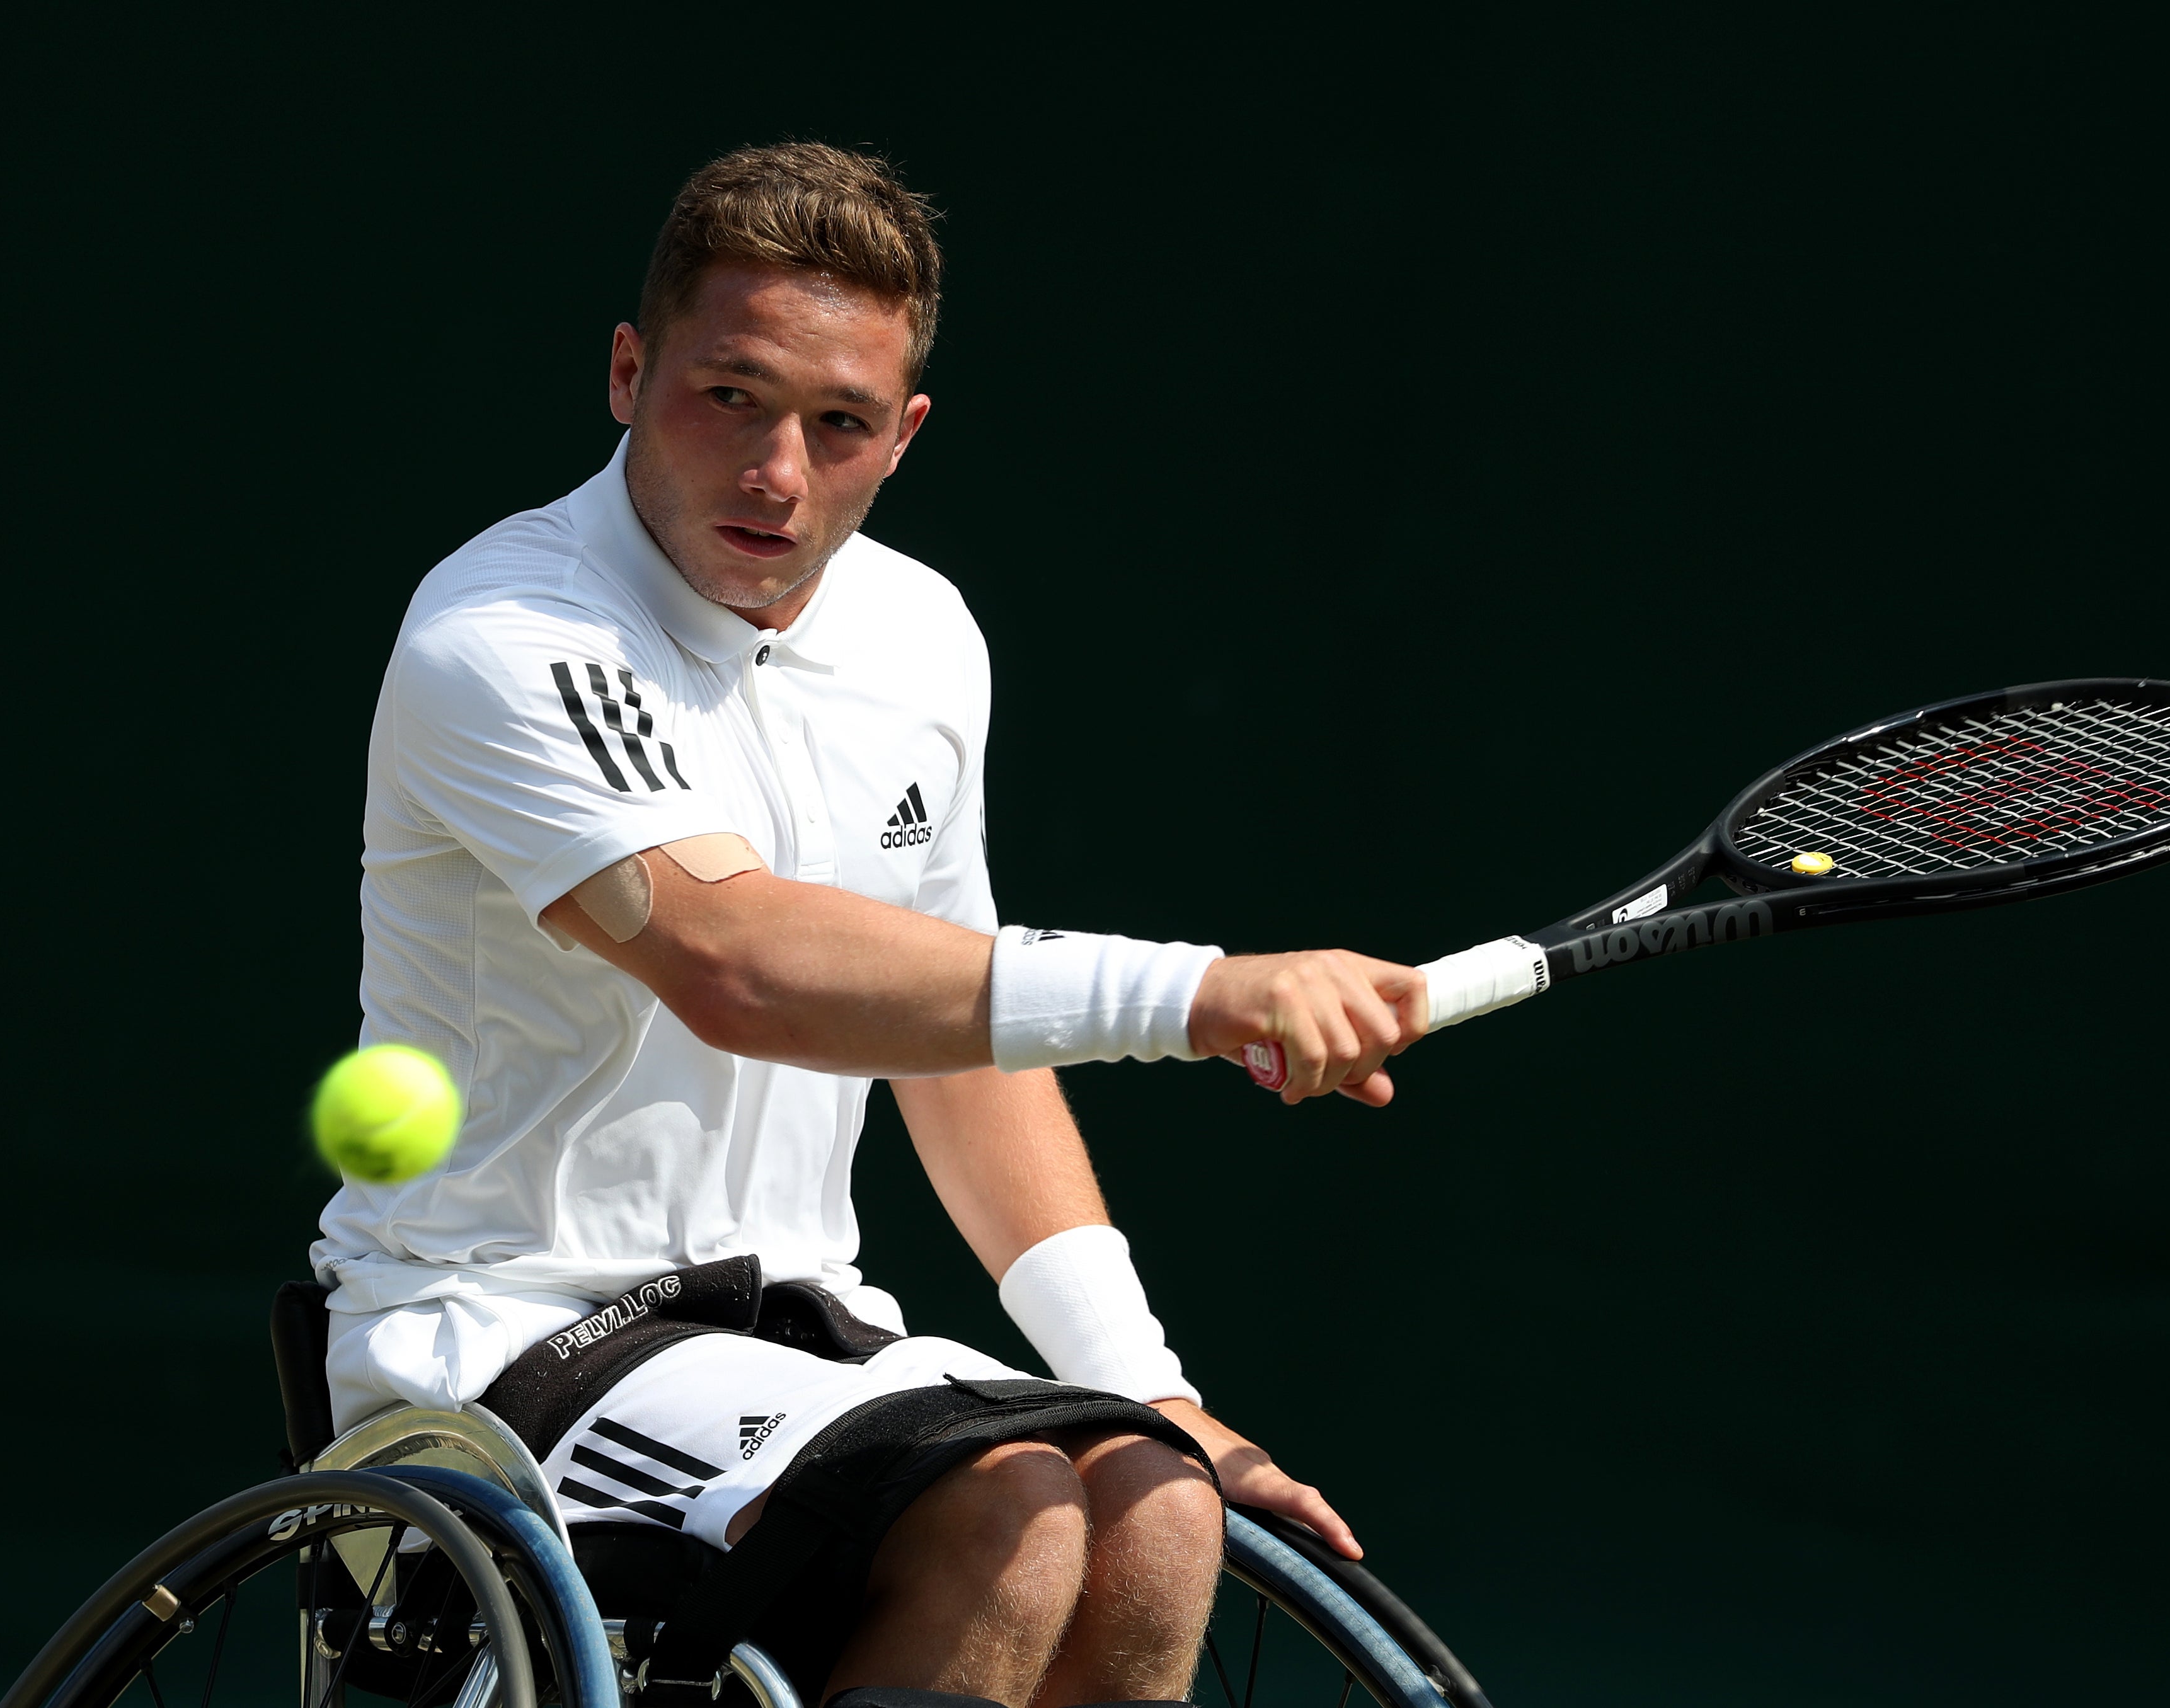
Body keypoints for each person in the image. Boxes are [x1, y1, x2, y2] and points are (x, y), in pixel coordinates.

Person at [312, 142, 1428, 1708]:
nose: (777, 469)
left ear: (901, 437)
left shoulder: (920, 636)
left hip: (801, 1332)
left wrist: (1152, 1387)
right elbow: (737, 964)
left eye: (836, 424)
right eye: (730, 398)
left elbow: (957, 1046)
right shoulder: (509, 632)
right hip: (495, 1350)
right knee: (1008, 1511)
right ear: (629, 373)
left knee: (1160, 1505)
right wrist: (1207, 996)